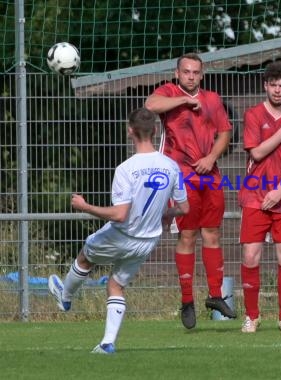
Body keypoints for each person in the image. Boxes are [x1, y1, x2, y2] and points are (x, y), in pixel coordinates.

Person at [48, 108, 189, 354]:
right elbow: (183, 207)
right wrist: (164, 214)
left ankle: (66, 295)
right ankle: (107, 343)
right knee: (115, 284)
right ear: (155, 131)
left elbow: (120, 214)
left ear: (129, 131)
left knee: (85, 257)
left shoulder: (126, 169)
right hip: (148, 240)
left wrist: (85, 206)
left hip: (122, 234)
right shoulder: (171, 166)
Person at [145, 53, 236, 329]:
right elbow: (150, 105)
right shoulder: (169, 92)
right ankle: (187, 301)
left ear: (202, 74)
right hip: (180, 175)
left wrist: (211, 159)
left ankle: (216, 295)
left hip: (210, 173)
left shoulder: (213, 99)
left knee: (212, 232)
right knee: (187, 234)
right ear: (177, 73)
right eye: (186, 72)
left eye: (196, 72)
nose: (191, 76)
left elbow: (224, 133)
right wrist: (184, 100)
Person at [238, 61, 281, 333]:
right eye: (273, 85)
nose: (278, 90)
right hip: (255, 195)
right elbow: (256, 153)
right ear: (265, 85)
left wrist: (279, 190)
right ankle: (252, 316)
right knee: (250, 257)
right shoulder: (254, 115)